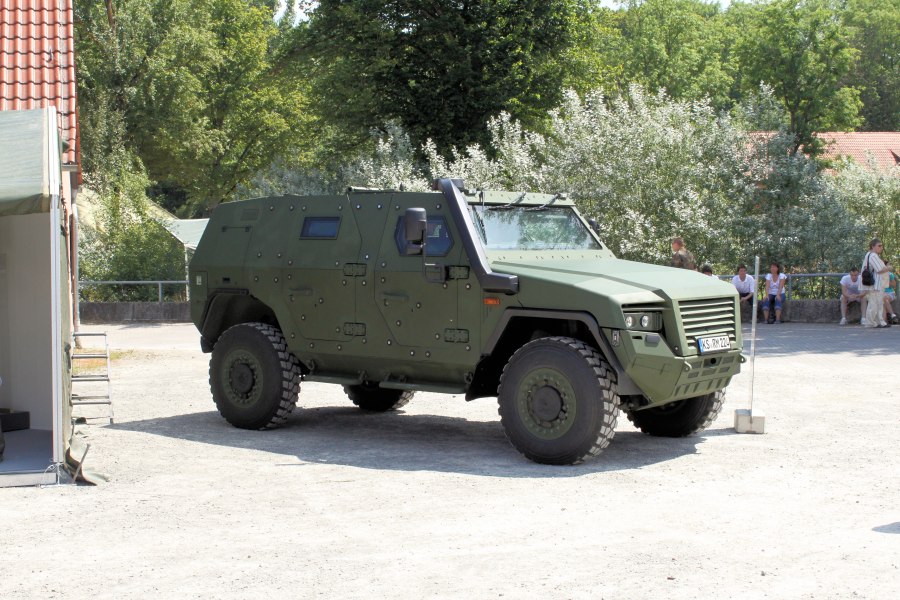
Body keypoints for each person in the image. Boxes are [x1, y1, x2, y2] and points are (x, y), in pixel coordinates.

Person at [859, 238, 891, 328]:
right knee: (874, 303)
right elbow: (879, 270)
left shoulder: (870, 255)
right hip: (875, 284)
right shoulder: (873, 255)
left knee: (877, 303)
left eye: (881, 246)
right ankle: (871, 322)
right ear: (873, 246)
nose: (881, 247)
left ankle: (878, 322)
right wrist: (889, 268)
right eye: (879, 246)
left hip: (875, 284)